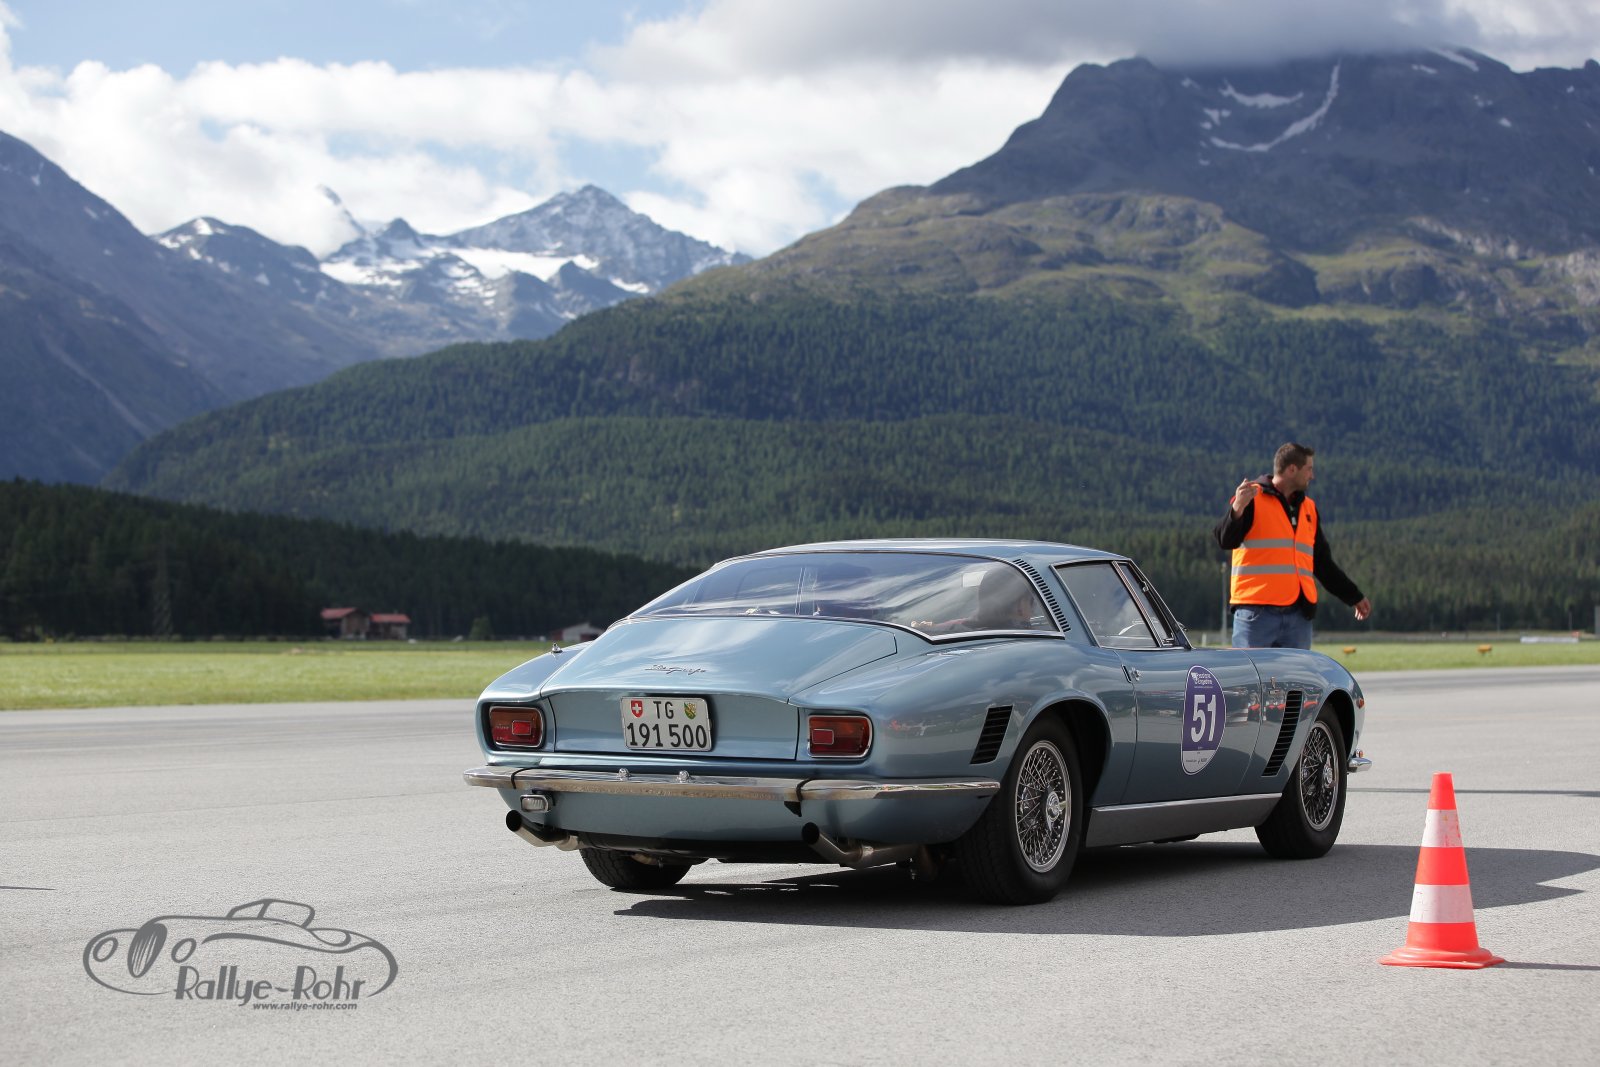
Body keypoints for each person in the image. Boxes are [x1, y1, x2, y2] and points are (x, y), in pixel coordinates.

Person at [1213, 442, 1372, 649]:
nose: (1312, 475)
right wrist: (1237, 509)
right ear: (1292, 469)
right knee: (1251, 672)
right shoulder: (1252, 498)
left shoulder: (1309, 509)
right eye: (1309, 469)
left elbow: (1322, 564)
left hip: (1297, 618)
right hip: (1256, 615)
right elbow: (1225, 540)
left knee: (1296, 673)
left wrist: (1354, 596)